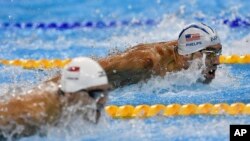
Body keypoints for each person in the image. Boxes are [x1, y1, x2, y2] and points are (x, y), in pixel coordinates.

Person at [0, 57, 111, 139]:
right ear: (70, 94)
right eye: (95, 94)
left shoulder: (66, 105)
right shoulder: (38, 112)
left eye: (106, 91)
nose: (103, 100)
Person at [98, 22, 222, 87]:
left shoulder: (186, 54)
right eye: (210, 54)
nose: (217, 61)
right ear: (187, 55)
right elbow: (93, 69)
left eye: (218, 52)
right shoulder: (146, 62)